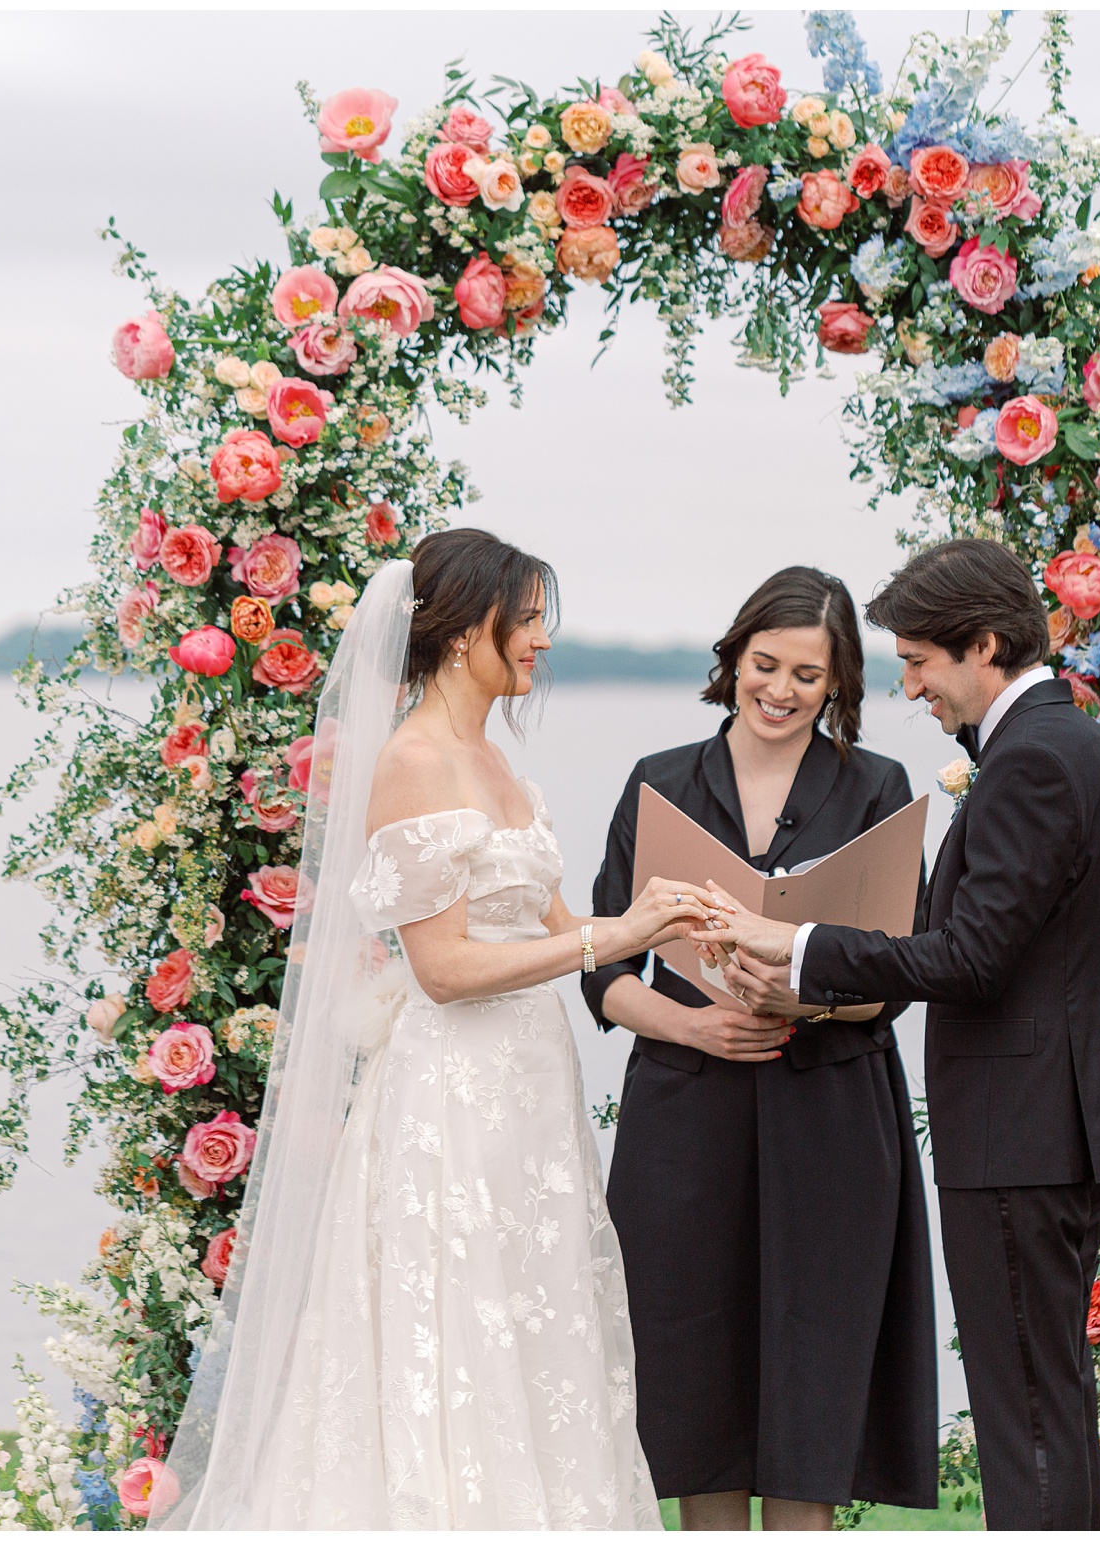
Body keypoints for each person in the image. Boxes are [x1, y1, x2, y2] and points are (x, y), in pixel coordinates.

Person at [159, 530, 717, 1530]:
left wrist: (658, 916)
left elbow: (549, 929)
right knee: (452, 1333)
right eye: (529, 616)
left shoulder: (495, 760)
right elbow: (445, 967)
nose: (543, 638)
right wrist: (610, 941)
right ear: (466, 632)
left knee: (535, 1323)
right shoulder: (413, 761)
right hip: (450, 1091)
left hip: (527, 1092)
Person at [700, 538, 1100, 1532]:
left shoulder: (1031, 758)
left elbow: (969, 957)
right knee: (1048, 1399)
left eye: (918, 661)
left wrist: (802, 942)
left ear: (982, 645)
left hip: (1019, 1131)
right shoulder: (1076, 743)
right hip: (1053, 1124)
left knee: (1022, 1413)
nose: (908, 686)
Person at [582, 567, 938, 1531]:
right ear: (732, 659)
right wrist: (694, 1022)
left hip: (828, 1113)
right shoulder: (658, 782)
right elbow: (601, 970)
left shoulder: (880, 788)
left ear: (840, 686)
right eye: (764, 664)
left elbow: (904, 970)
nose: (780, 690)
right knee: (695, 1382)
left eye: (808, 675)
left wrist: (808, 999)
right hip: (686, 1112)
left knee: (813, 1375)